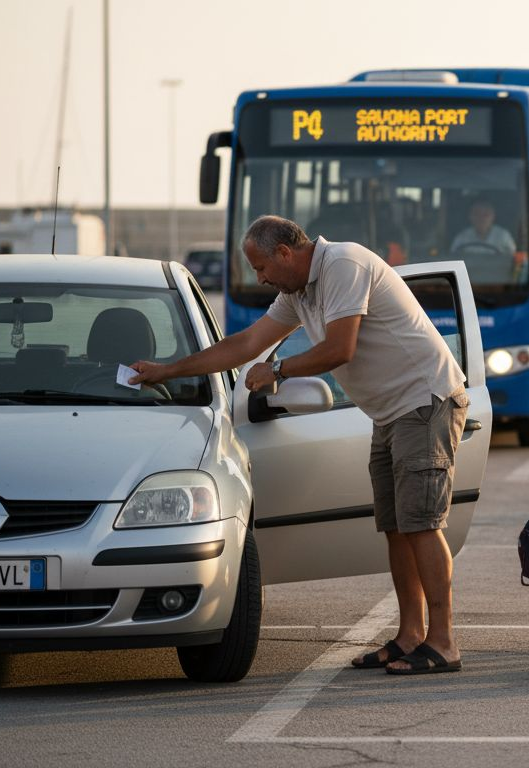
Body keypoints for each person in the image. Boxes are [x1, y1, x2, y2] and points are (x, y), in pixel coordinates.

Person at [129, 215, 470, 676]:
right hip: (389, 413)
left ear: (285, 253)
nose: (260, 277)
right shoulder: (297, 292)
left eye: (260, 266)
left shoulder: (343, 265)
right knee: (395, 527)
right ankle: (411, 636)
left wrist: (280, 370)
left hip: (425, 401)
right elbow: (248, 342)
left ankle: (444, 642)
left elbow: (339, 349)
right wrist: (168, 371)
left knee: (422, 524)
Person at [449, 197, 516, 256]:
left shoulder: (503, 236)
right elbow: (452, 259)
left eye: (486, 214)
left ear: (493, 216)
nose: (481, 218)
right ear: (470, 216)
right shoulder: (461, 238)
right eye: (476, 214)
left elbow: (514, 259)